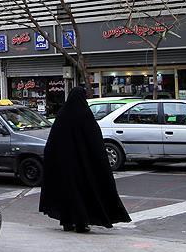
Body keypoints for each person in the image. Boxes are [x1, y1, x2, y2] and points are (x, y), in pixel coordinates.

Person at [39, 86, 131, 233]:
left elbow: (52, 143)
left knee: (67, 192)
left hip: (64, 166)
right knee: (82, 193)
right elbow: (95, 141)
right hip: (82, 166)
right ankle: (81, 223)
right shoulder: (85, 115)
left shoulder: (62, 115)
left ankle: (67, 222)